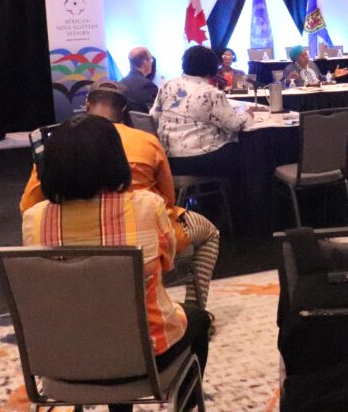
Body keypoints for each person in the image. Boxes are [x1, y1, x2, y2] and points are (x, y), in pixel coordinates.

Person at [22, 114, 210, 412]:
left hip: (63, 361)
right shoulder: (147, 207)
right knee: (199, 319)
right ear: (115, 158)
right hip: (142, 361)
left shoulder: (34, 220)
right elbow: (167, 263)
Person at [20, 81, 221, 311]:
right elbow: (167, 200)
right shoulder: (144, 159)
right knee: (207, 232)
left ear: (86, 105)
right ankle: (194, 306)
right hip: (140, 251)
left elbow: (29, 204)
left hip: (69, 321)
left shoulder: (56, 149)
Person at [151, 45, 256, 180]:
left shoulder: (167, 85)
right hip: (198, 158)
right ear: (212, 67)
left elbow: (154, 116)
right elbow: (234, 125)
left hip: (167, 157)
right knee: (247, 151)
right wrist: (247, 115)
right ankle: (239, 199)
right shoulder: (211, 93)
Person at [121, 46, 159, 113]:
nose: (151, 63)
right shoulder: (149, 86)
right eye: (151, 60)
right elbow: (155, 114)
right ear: (145, 61)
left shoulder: (121, 83)